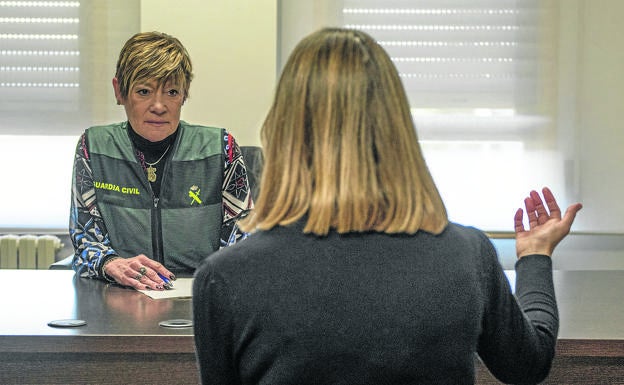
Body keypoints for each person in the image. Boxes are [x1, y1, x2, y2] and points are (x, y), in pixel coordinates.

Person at [192, 28, 582, 385]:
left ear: (284, 131)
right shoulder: (466, 254)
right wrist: (534, 256)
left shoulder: (225, 278)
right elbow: (528, 364)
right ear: (397, 129)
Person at [69, 31, 253, 291]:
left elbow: (243, 239)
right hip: (123, 293)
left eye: (172, 92)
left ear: (184, 95)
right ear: (119, 91)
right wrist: (111, 263)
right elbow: (86, 239)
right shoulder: (94, 147)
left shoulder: (220, 149)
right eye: (144, 91)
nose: (159, 105)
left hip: (203, 293)